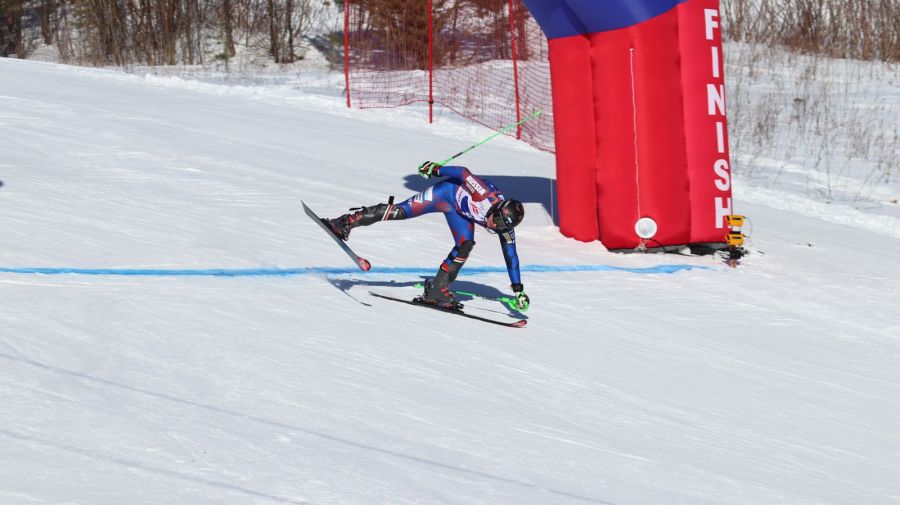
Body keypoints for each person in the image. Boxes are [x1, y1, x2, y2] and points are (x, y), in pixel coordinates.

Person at [324, 162, 529, 311]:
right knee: (401, 212)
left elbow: (511, 256)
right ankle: (344, 223)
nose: (495, 226)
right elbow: (463, 173)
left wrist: (518, 289)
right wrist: (435, 169)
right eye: (496, 220)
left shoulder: (504, 228)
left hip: (459, 212)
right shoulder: (484, 194)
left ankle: (437, 289)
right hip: (444, 194)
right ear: (498, 208)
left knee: (465, 244)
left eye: (501, 226)